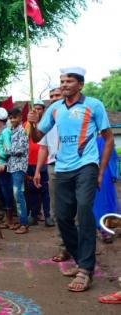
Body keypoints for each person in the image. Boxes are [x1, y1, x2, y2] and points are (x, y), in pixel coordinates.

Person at [28, 67, 114, 292]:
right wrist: (33, 123)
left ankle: (86, 270)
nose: (64, 84)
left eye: (68, 81)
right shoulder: (55, 108)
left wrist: (101, 171)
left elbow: (108, 138)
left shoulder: (93, 105)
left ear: (80, 84)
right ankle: (81, 260)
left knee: (84, 211)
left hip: (86, 165)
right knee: (62, 217)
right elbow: (38, 138)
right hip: (62, 168)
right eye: (62, 81)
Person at [33, 85, 69, 262]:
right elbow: (43, 147)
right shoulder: (48, 119)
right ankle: (64, 248)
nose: (54, 97)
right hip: (54, 167)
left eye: (57, 94)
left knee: (78, 210)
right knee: (57, 210)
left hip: (76, 166)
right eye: (51, 95)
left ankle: (82, 248)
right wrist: (38, 170)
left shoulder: (74, 114)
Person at [25, 99, 54, 227]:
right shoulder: (26, 124)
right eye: (35, 108)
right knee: (32, 190)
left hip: (44, 162)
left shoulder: (47, 123)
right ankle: (34, 215)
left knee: (45, 190)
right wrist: (31, 124)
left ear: (43, 110)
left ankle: (48, 216)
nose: (37, 111)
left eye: (40, 109)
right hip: (30, 162)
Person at [5, 108, 29, 234]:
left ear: (20, 118)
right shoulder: (12, 131)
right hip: (12, 166)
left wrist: (7, 150)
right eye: (10, 118)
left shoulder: (22, 131)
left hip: (19, 166)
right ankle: (21, 222)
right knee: (17, 194)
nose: (12, 120)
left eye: (14, 117)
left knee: (18, 194)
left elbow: (19, 150)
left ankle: (24, 224)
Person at [92, 134, 119, 243]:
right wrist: (114, 174)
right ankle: (104, 230)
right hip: (104, 174)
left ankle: (96, 229)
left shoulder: (86, 137)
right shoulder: (107, 139)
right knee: (105, 203)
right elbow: (113, 158)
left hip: (89, 173)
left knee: (93, 202)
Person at [0, 108, 14, 228]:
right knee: (1, 191)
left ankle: (9, 220)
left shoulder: (5, 132)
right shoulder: (2, 131)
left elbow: (8, 150)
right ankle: (7, 218)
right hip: (0, 165)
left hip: (4, 165)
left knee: (6, 191)